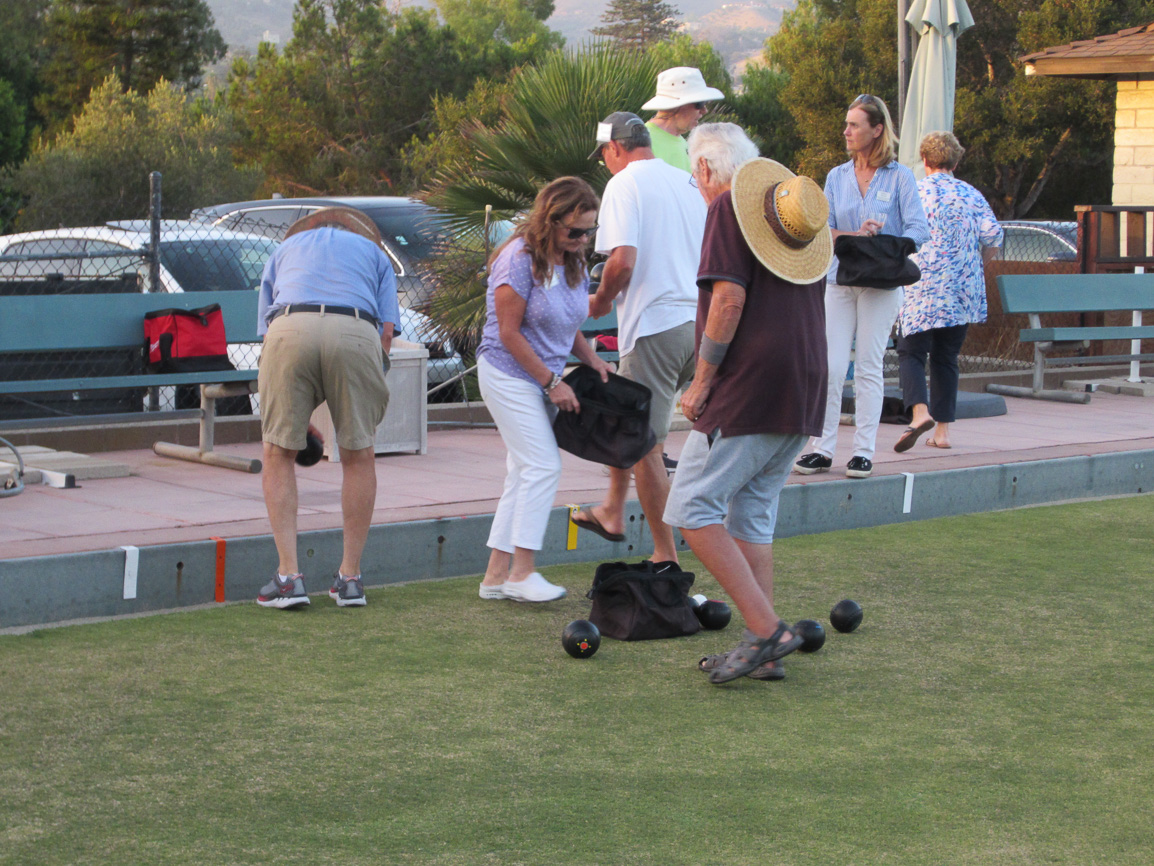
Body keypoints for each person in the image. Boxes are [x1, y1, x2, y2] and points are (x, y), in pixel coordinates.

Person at [665, 126, 831, 684]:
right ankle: (763, 647)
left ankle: (766, 630)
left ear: (708, 170)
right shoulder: (787, 219)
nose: (695, 182)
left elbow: (729, 298)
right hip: (803, 384)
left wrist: (702, 381)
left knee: (691, 507)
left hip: (750, 385)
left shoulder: (726, 211)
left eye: (694, 173)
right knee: (751, 513)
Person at [571, 112, 706, 565]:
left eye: (604, 156)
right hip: (701, 327)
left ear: (614, 149)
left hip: (655, 326)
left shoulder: (624, 184)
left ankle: (664, 554)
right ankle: (612, 509)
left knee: (646, 447)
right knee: (633, 427)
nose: (605, 164)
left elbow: (623, 261)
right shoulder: (688, 183)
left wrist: (602, 299)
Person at [476, 177, 615, 603]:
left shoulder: (570, 260)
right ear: (549, 221)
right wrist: (552, 382)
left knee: (522, 472)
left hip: (537, 378)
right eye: (575, 231)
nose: (582, 239)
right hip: (506, 372)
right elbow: (510, 332)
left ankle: (496, 578)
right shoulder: (517, 259)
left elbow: (565, 321)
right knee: (542, 466)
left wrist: (590, 357)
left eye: (589, 231)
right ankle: (523, 572)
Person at [255, 208, 399, 609]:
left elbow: (268, 333)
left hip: (289, 327)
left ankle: (287, 578)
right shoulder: (375, 254)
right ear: (358, 230)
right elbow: (386, 332)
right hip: (355, 329)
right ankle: (349, 580)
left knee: (277, 452)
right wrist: (372, 369)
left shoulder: (286, 248)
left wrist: (296, 418)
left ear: (310, 229)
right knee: (358, 454)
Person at [794, 93, 930, 479]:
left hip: (882, 284)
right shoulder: (836, 176)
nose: (847, 131)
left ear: (877, 130)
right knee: (832, 366)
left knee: (869, 365)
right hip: (840, 279)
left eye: (855, 125)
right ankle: (822, 448)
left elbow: (919, 230)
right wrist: (854, 234)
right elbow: (824, 227)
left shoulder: (900, 176)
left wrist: (883, 236)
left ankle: (863, 451)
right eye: (847, 123)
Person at [893, 132, 1003, 452]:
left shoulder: (913, 191)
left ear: (924, 161)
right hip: (961, 290)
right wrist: (975, 265)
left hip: (920, 287)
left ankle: (919, 413)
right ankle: (941, 433)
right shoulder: (971, 194)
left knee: (911, 352)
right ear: (956, 162)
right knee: (946, 358)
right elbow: (994, 237)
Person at [640, 66, 724, 172]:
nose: (704, 110)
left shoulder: (681, 142)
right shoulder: (643, 142)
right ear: (678, 105)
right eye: (699, 104)